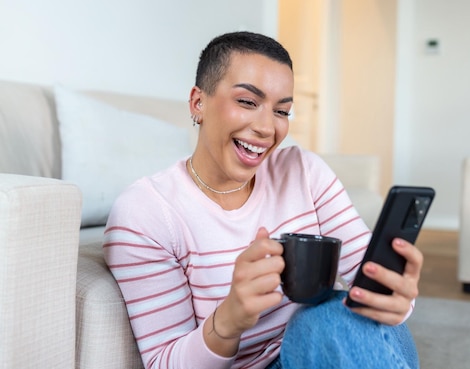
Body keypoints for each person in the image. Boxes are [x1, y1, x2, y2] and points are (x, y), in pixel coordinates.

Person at [103, 31, 423, 369]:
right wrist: (229, 319)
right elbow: (164, 363)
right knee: (324, 320)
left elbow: (369, 282)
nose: (268, 128)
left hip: (335, 348)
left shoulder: (303, 171)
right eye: (247, 102)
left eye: (282, 111)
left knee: (341, 314)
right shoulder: (147, 212)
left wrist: (399, 296)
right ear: (198, 102)